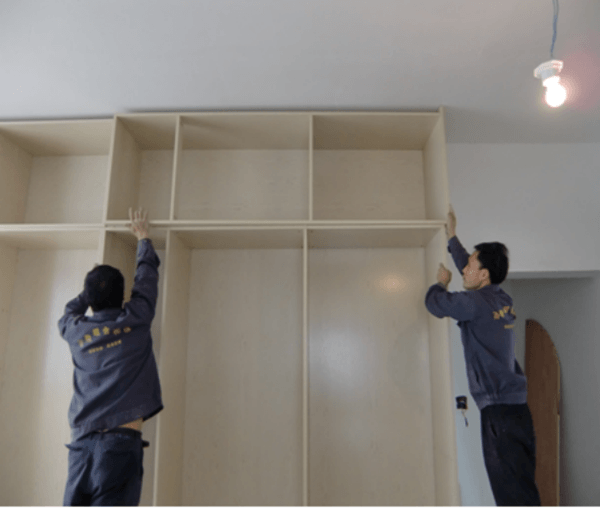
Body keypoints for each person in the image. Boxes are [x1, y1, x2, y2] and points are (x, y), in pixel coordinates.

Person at [424, 205, 541, 506]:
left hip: (499, 415)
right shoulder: (501, 298)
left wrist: (440, 283)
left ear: (484, 274)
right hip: (517, 412)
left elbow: (436, 304)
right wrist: (452, 236)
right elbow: (470, 272)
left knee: (510, 496)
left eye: (471, 265)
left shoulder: (474, 303)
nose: (464, 269)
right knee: (522, 489)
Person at [58, 207, 163, 506]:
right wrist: (143, 238)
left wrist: (91, 287)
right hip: (119, 445)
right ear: (123, 296)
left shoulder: (75, 330)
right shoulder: (135, 320)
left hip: (80, 446)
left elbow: (70, 310)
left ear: (89, 299)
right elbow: (146, 282)